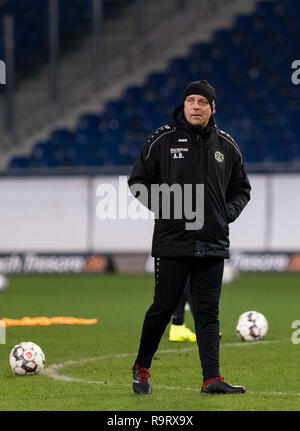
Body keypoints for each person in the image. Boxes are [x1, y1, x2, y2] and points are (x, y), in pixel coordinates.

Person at [128, 79, 251, 394]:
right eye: (191, 101)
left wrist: (227, 214)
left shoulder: (226, 145)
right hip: (173, 241)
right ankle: (142, 367)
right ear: (184, 105)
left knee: (208, 311)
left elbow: (241, 189)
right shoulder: (162, 140)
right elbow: (138, 181)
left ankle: (212, 379)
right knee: (163, 308)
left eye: (202, 102)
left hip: (212, 242)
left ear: (212, 108)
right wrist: (166, 207)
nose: (196, 106)